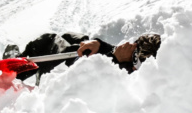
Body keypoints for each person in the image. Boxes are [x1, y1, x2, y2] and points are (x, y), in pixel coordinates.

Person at [15, 31, 161, 81]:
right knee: (81, 39)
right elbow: (111, 54)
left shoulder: (115, 77)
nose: (130, 44)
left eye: (135, 50)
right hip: (60, 62)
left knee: (51, 40)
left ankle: (13, 71)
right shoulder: (122, 60)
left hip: (56, 74)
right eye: (136, 42)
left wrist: (104, 52)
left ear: (135, 65)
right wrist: (99, 44)